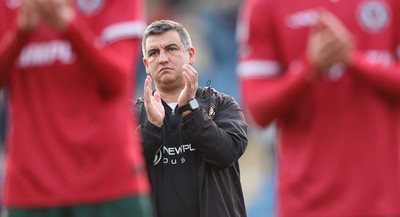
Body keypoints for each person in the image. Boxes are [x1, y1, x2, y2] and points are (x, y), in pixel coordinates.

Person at [237, 0, 400, 216]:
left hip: (387, 201)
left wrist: (352, 59)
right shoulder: (263, 5)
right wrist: (310, 69)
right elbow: (258, 109)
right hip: (308, 204)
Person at [0, 0, 152, 216]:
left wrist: (68, 27)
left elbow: (117, 79)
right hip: (32, 185)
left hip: (108, 181)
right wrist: (20, 34)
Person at [134, 20, 248, 217]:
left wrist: (191, 110)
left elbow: (226, 154)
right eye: (153, 53)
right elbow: (122, 170)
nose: (162, 59)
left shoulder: (221, 105)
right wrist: (152, 127)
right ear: (146, 64)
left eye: (171, 49)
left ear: (191, 55)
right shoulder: (132, 115)